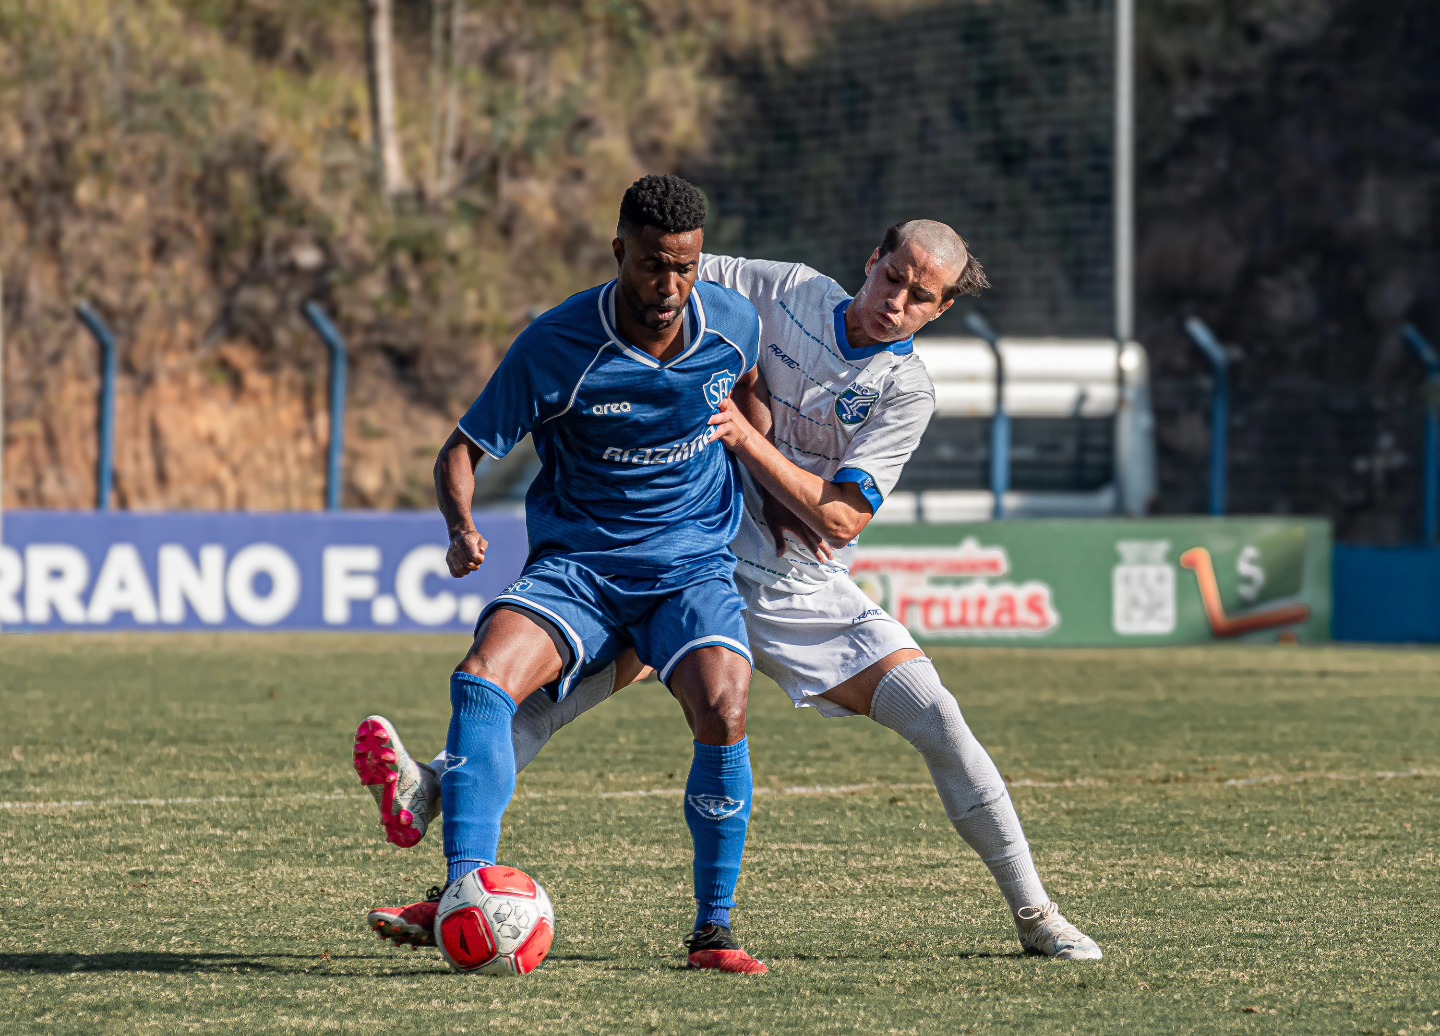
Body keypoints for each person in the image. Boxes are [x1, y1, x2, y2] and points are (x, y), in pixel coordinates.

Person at [362, 219, 1102, 962]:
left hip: (797, 586)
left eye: (920, 297)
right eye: (893, 277)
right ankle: (457, 885)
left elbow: (843, 518)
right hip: (686, 553)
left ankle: (1037, 915)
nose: (896, 301)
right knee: (537, 706)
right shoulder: (789, 290)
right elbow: (671, 267)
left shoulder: (906, 391)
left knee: (937, 714)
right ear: (871, 260)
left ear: (940, 312)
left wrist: (751, 442)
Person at [356, 174, 768, 974]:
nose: (669, 285)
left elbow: (751, 396)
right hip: (577, 569)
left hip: (688, 570)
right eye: (653, 265)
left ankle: (714, 931)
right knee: (481, 680)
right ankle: (465, 893)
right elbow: (461, 451)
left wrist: (757, 460)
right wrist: (462, 528)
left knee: (724, 706)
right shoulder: (557, 344)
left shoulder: (734, 325)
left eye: (685, 267)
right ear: (620, 252)